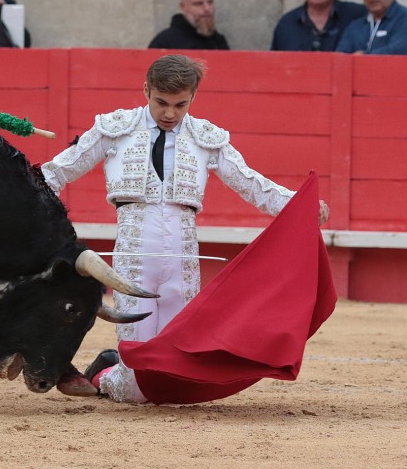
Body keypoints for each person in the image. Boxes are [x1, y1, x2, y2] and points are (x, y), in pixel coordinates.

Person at [41, 54, 329, 403]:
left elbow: (250, 183)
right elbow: (58, 172)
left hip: (183, 255)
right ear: (146, 89)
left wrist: (297, 205)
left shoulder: (206, 137)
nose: (169, 113)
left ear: (193, 97)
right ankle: (106, 372)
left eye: (180, 105)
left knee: (176, 368)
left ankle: (115, 366)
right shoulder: (114, 129)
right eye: (161, 102)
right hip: (134, 252)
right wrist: (17, 196)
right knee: (138, 389)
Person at [148, 0, 229, 50]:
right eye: (199, 3)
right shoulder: (165, 43)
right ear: (183, 7)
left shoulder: (218, 42)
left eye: (210, 2)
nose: (207, 8)